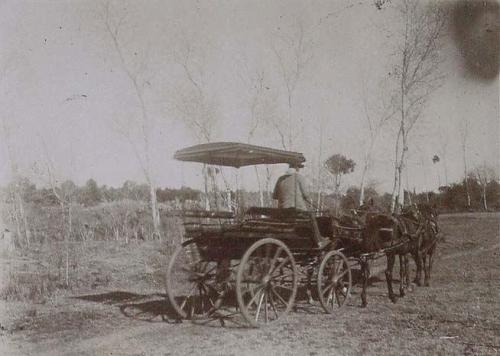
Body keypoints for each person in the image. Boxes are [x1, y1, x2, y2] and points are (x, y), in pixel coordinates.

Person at [273, 164, 329, 249]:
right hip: (296, 209)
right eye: (298, 167)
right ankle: (319, 241)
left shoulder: (280, 179)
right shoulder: (299, 177)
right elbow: (306, 195)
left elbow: (275, 196)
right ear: (296, 168)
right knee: (311, 217)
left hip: (282, 210)